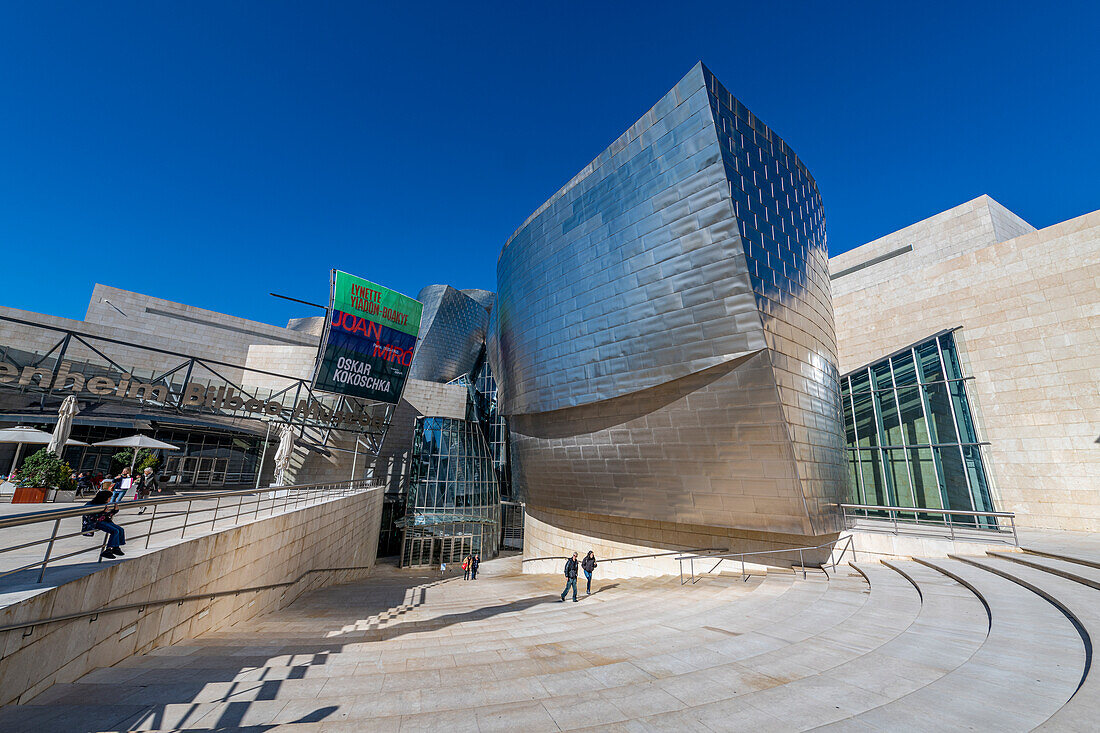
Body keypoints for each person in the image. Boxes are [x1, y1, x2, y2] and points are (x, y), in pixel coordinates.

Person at [83, 487, 126, 559]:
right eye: (109, 497)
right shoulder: (91, 504)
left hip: (104, 520)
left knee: (120, 529)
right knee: (115, 531)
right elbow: (91, 517)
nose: (110, 499)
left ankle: (116, 547)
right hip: (95, 522)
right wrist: (103, 512)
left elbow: (107, 515)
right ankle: (108, 550)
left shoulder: (104, 504)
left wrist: (114, 511)